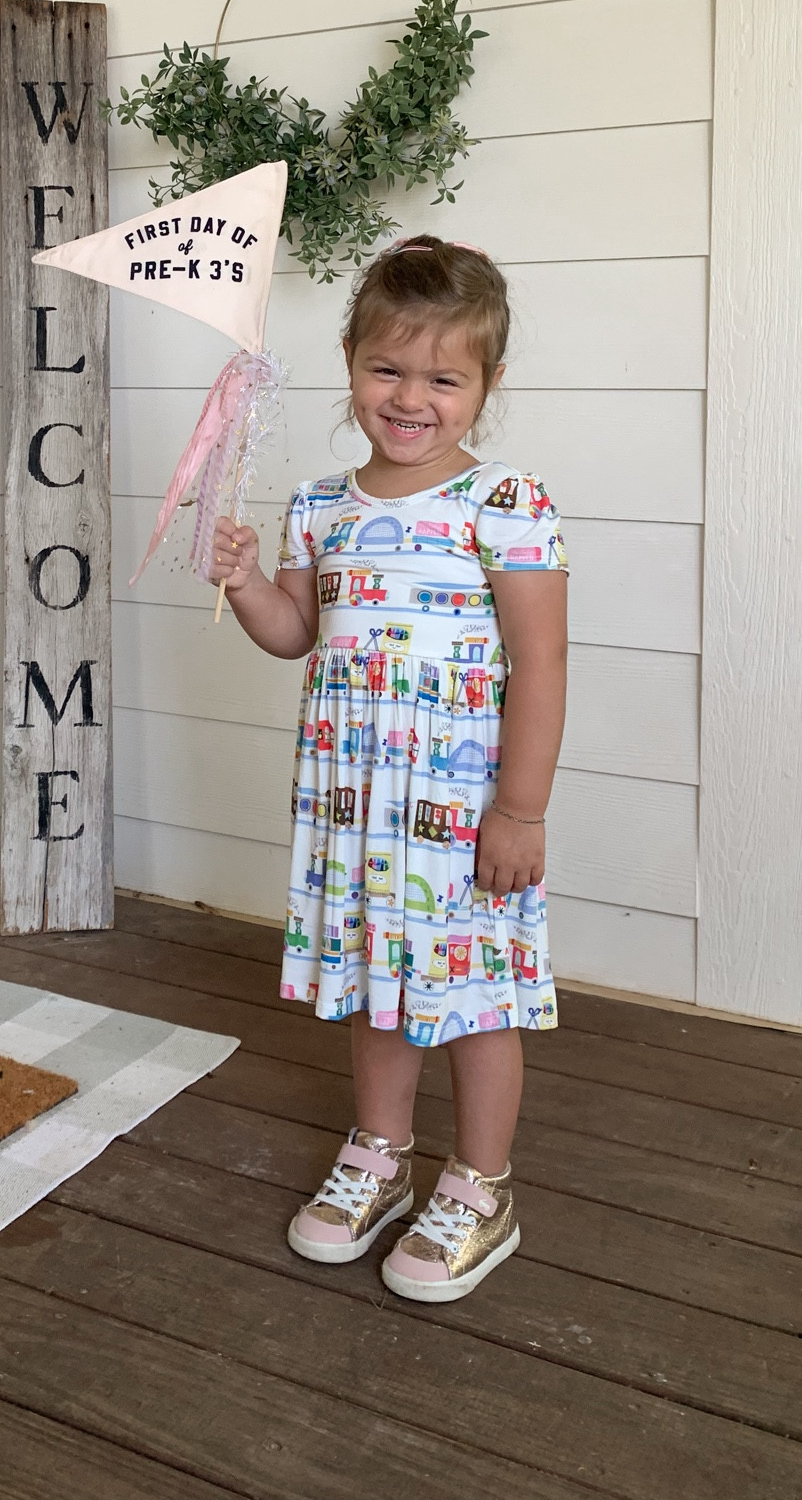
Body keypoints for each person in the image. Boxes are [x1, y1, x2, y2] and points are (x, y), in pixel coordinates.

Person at [212, 236, 568, 1303]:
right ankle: (380, 1151)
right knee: (376, 981)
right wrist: (239, 581)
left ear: (486, 386)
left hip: (464, 817)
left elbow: (540, 659)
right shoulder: (321, 505)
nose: (410, 397)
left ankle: (481, 1185)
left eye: (444, 377)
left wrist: (521, 806)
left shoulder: (504, 502)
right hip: (357, 806)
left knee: (475, 994)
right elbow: (293, 631)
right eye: (388, 369)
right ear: (351, 358)